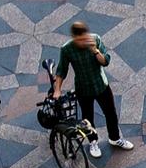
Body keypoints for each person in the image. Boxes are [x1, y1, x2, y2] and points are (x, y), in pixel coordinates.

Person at [53, 20, 123, 148]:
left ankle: (115, 138)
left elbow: (105, 61)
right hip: (83, 88)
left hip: (101, 85)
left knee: (111, 114)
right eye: (79, 40)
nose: (83, 42)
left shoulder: (95, 39)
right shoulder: (67, 49)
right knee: (88, 119)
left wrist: (95, 50)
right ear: (74, 38)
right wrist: (57, 89)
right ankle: (93, 142)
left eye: (84, 38)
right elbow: (62, 70)